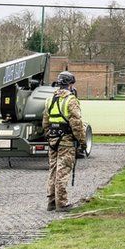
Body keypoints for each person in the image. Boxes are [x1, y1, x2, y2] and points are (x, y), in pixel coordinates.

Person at [43, 71, 86, 212]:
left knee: (53, 170)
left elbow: (45, 122)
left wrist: (50, 136)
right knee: (63, 171)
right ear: (70, 84)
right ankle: (62, 203)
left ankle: (51, 201)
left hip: (53, 141)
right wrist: (82, 142)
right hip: (66, 142)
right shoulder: (71, 100)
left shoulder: (50, 99)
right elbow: (77, 124)